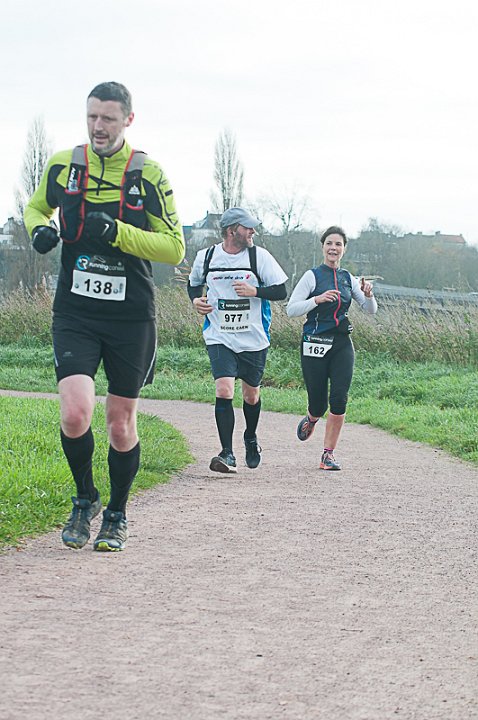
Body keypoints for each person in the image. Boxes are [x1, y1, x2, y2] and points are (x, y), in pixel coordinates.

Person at [24, 81, 184, 551]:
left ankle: (116, 513)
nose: (98, 127)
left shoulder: (148, 175)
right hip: (75, 310)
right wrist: (38, 230)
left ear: (128, 120)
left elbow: (174, 247)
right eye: (92, 117)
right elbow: (36, 207)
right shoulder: (63, 165)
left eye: (108, 119)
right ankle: (85, 498)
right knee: (75, 412)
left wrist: (117, 232)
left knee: (119, 423)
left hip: (129, 317)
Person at [187, 207, 288, 473]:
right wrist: (196, 300)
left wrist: (255, 291)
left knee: (251, 395)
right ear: (232, 230)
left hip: (253, 338)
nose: (253, 231)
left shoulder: (258, 257)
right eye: (247, 227)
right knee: (224, 390)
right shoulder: (207, 257)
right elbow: (193, 284)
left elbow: (281, 290)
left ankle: (250, 437)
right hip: (219, 335)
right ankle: (227, 453)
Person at [286, 225, 377, 470]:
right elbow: (291, 309)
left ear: (344, 249)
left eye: (338, 244)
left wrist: (369, 295)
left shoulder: (348, 278)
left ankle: (328, 455)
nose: (333, 248)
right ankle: (312, 417)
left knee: (339, 398)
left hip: (341, 343)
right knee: (319, 403)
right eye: (329, 243)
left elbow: (370, 310)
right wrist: (317, 299)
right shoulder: (312, 276)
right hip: (314, 341)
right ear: (323, 247)